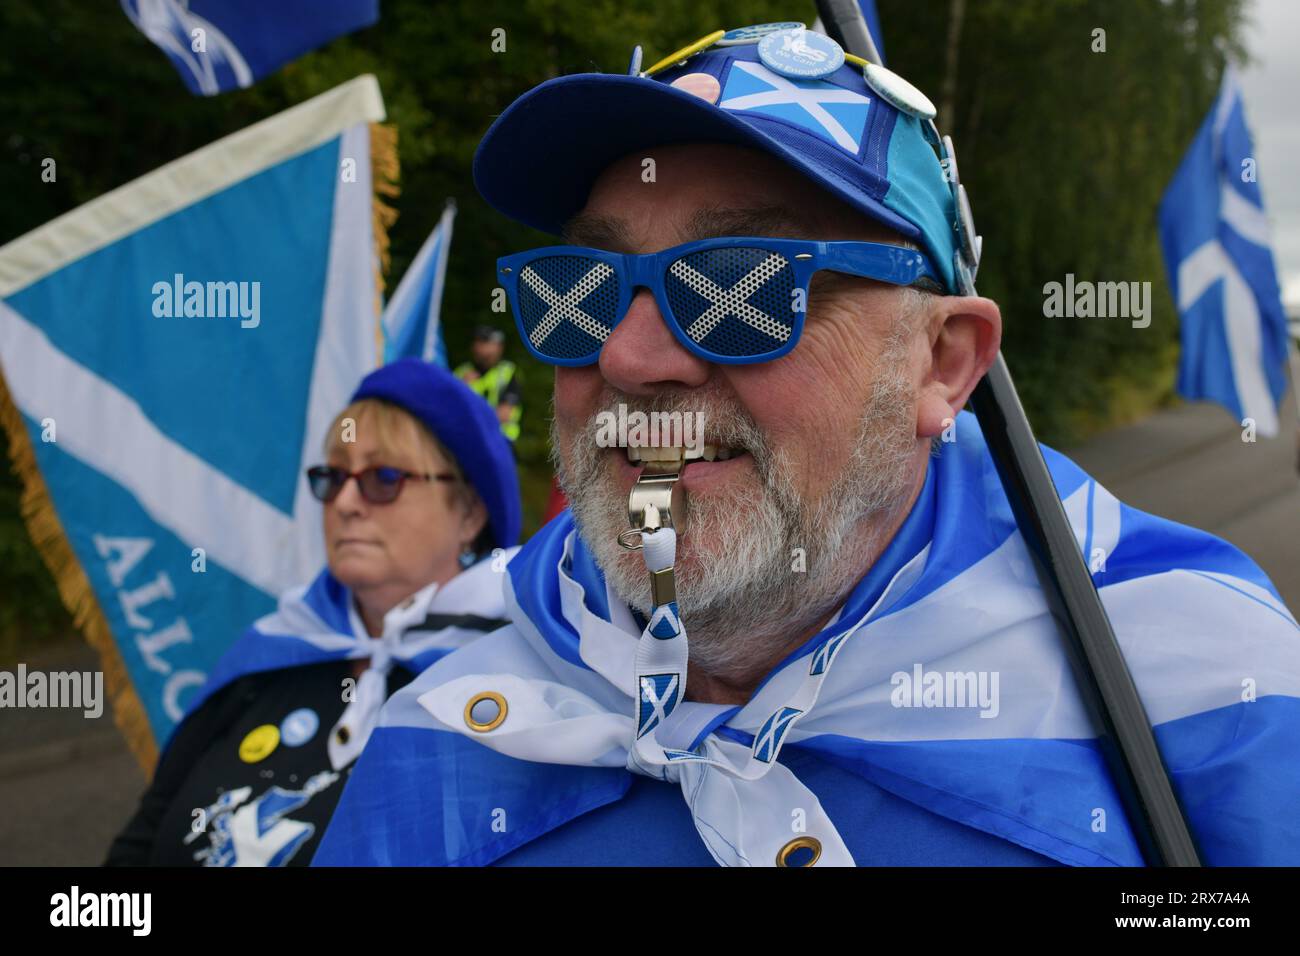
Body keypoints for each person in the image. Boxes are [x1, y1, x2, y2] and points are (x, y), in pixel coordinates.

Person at [315, 25, 1300, 867]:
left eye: (740, 288)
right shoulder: (432, 714)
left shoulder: (1202, 691)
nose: (627, 353)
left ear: (941, 363)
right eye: (580, 289)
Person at [106, 358, 520, 866]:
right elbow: (145, 837)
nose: (345, 501)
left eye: (383, 477)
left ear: (471, 514)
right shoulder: (274, 651)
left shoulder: (511, 690)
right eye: (333, 475)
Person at [455, 325, 522, 444]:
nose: (481, 347)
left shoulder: (507, 372)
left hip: (501, 441)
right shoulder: (462, 373)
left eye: (486, 342)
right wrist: (461, 387)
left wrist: (469, 419)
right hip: (467, 440)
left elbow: (504, 413)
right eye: (479, 342)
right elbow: (449, 408)